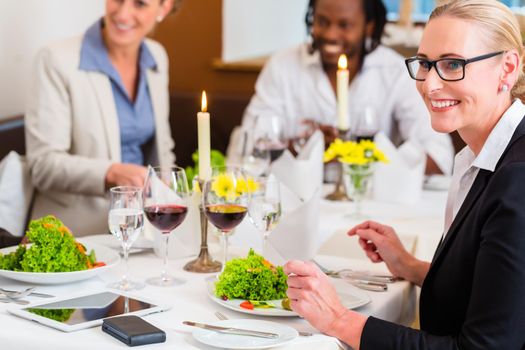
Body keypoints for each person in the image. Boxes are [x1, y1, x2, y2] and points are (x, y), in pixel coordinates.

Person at [284, 0, 525, 348]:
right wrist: (412, 267)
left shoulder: (516, 179)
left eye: (453, 64)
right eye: (425, 63)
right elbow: (489, 292)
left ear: (508, 68)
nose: (430, 84)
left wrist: (338, 319)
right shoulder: (483, 154)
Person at [232, 0, 454, 175]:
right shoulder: (283, 66)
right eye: (322, 21)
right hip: (295, 200)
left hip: (372, 208)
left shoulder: (394, 71)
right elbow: (246, 148)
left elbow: (439, 156)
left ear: (369, 26)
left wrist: (360, 154)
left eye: (344, 25)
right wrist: (302, 146)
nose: (330, 34)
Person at [25, 0, 177, 236]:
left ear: (164, 8)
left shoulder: (157, 56)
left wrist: (170, 193)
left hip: (144, 229)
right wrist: (111, 172)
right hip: (77, 233)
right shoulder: (55, 60)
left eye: (140, 4)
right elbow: (44, 165)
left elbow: (163, 148)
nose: (123, 14)